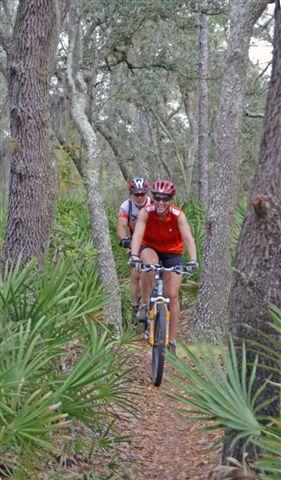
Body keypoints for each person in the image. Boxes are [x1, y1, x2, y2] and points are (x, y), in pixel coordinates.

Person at [130, 179, 198, 351]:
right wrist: (134, 255)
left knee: (172, 294)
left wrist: (193, 260)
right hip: (150, 247)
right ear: (153, 197)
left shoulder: (177, 215)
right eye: (157, 198)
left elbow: (188, 238)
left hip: (173, 252)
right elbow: (137, 235)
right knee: (149, 266)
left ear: (171, 199)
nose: (161, 202)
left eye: (165, 199)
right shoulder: (146, 212)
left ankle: (172, 341)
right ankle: (145, 306)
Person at [117, 177, 151, 317]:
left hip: (153, 240)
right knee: (136, 274)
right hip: (134, 242)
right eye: (136, 194)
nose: (139, 197)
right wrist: (125, 240)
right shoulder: (126, 206)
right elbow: (121, 226)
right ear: (131, 193)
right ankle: (135, 307)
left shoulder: (153, 203)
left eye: (142, 193)